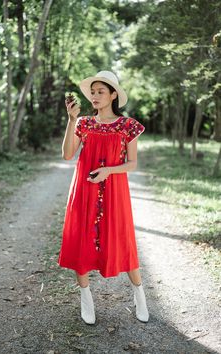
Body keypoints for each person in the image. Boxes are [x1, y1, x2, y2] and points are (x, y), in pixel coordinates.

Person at [58, 70, 149, 325]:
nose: (95, 96)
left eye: (101, 92)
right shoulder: (84, 123)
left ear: (113, 95)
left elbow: (131, 164)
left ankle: (139, 294)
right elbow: (67, 155)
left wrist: (108, 170)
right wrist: (71, 120)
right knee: (81, 240)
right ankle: (86, 298)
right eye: (93, 92)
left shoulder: (128, 126)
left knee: (123, 239)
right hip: (84, 190)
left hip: (115, 193)